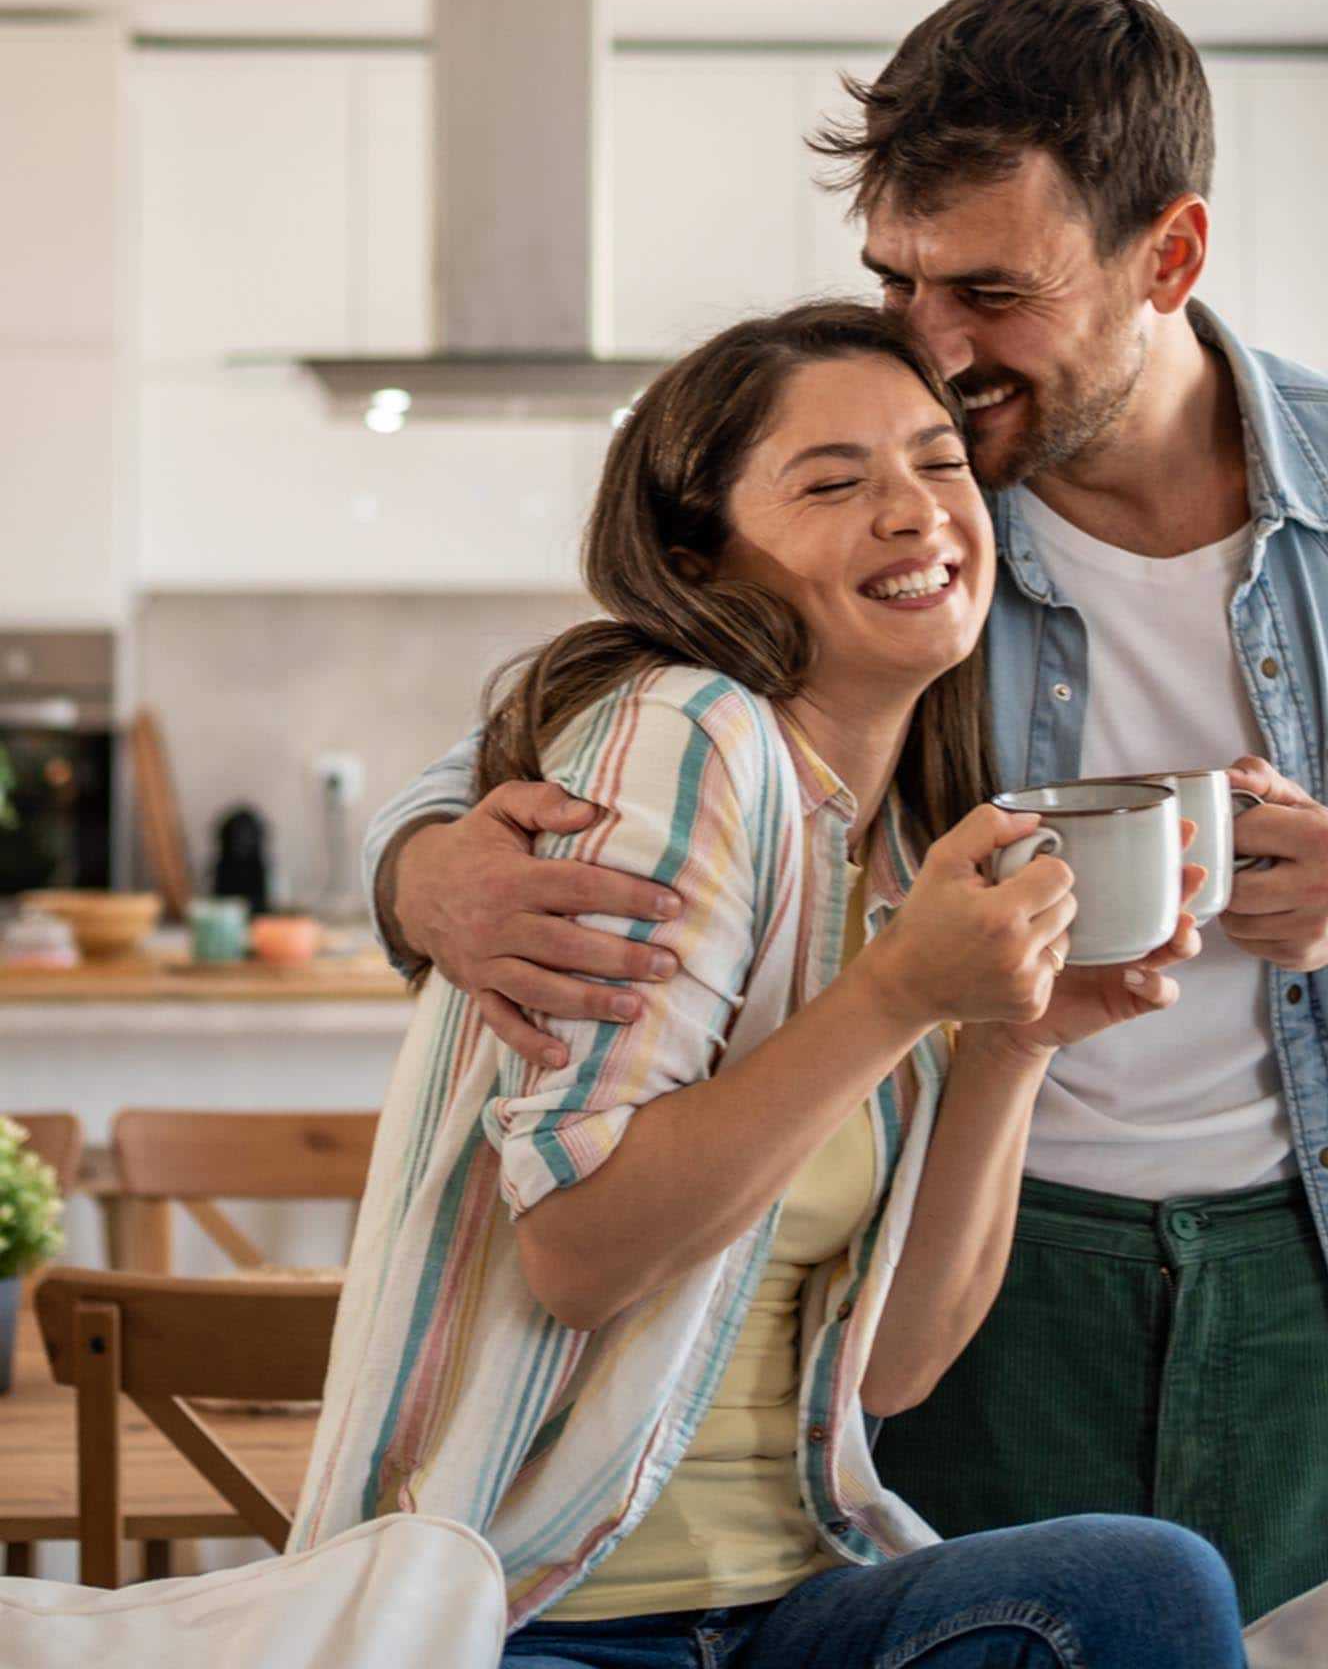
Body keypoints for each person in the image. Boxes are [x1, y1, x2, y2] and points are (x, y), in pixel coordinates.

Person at [363, 0, 1328, 1642]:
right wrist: (427, 878)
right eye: (894, 278)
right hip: (970, 1264)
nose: (933, 351)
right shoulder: (907, 515)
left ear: (1167, 255)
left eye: (991, 290)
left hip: (1321, 1270)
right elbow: (532, 753)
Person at [294, 302, 1245, 1669]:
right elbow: (579, 1253)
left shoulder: (903, 844)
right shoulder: (688, 735)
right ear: (699, 558)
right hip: (534, 1615)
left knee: (1143, 1591)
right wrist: (899, 998)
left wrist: (1012, 1044)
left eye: (937, 463)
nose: (916, 512)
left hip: (790, 1606)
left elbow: (898, 1367)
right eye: (835, 481)